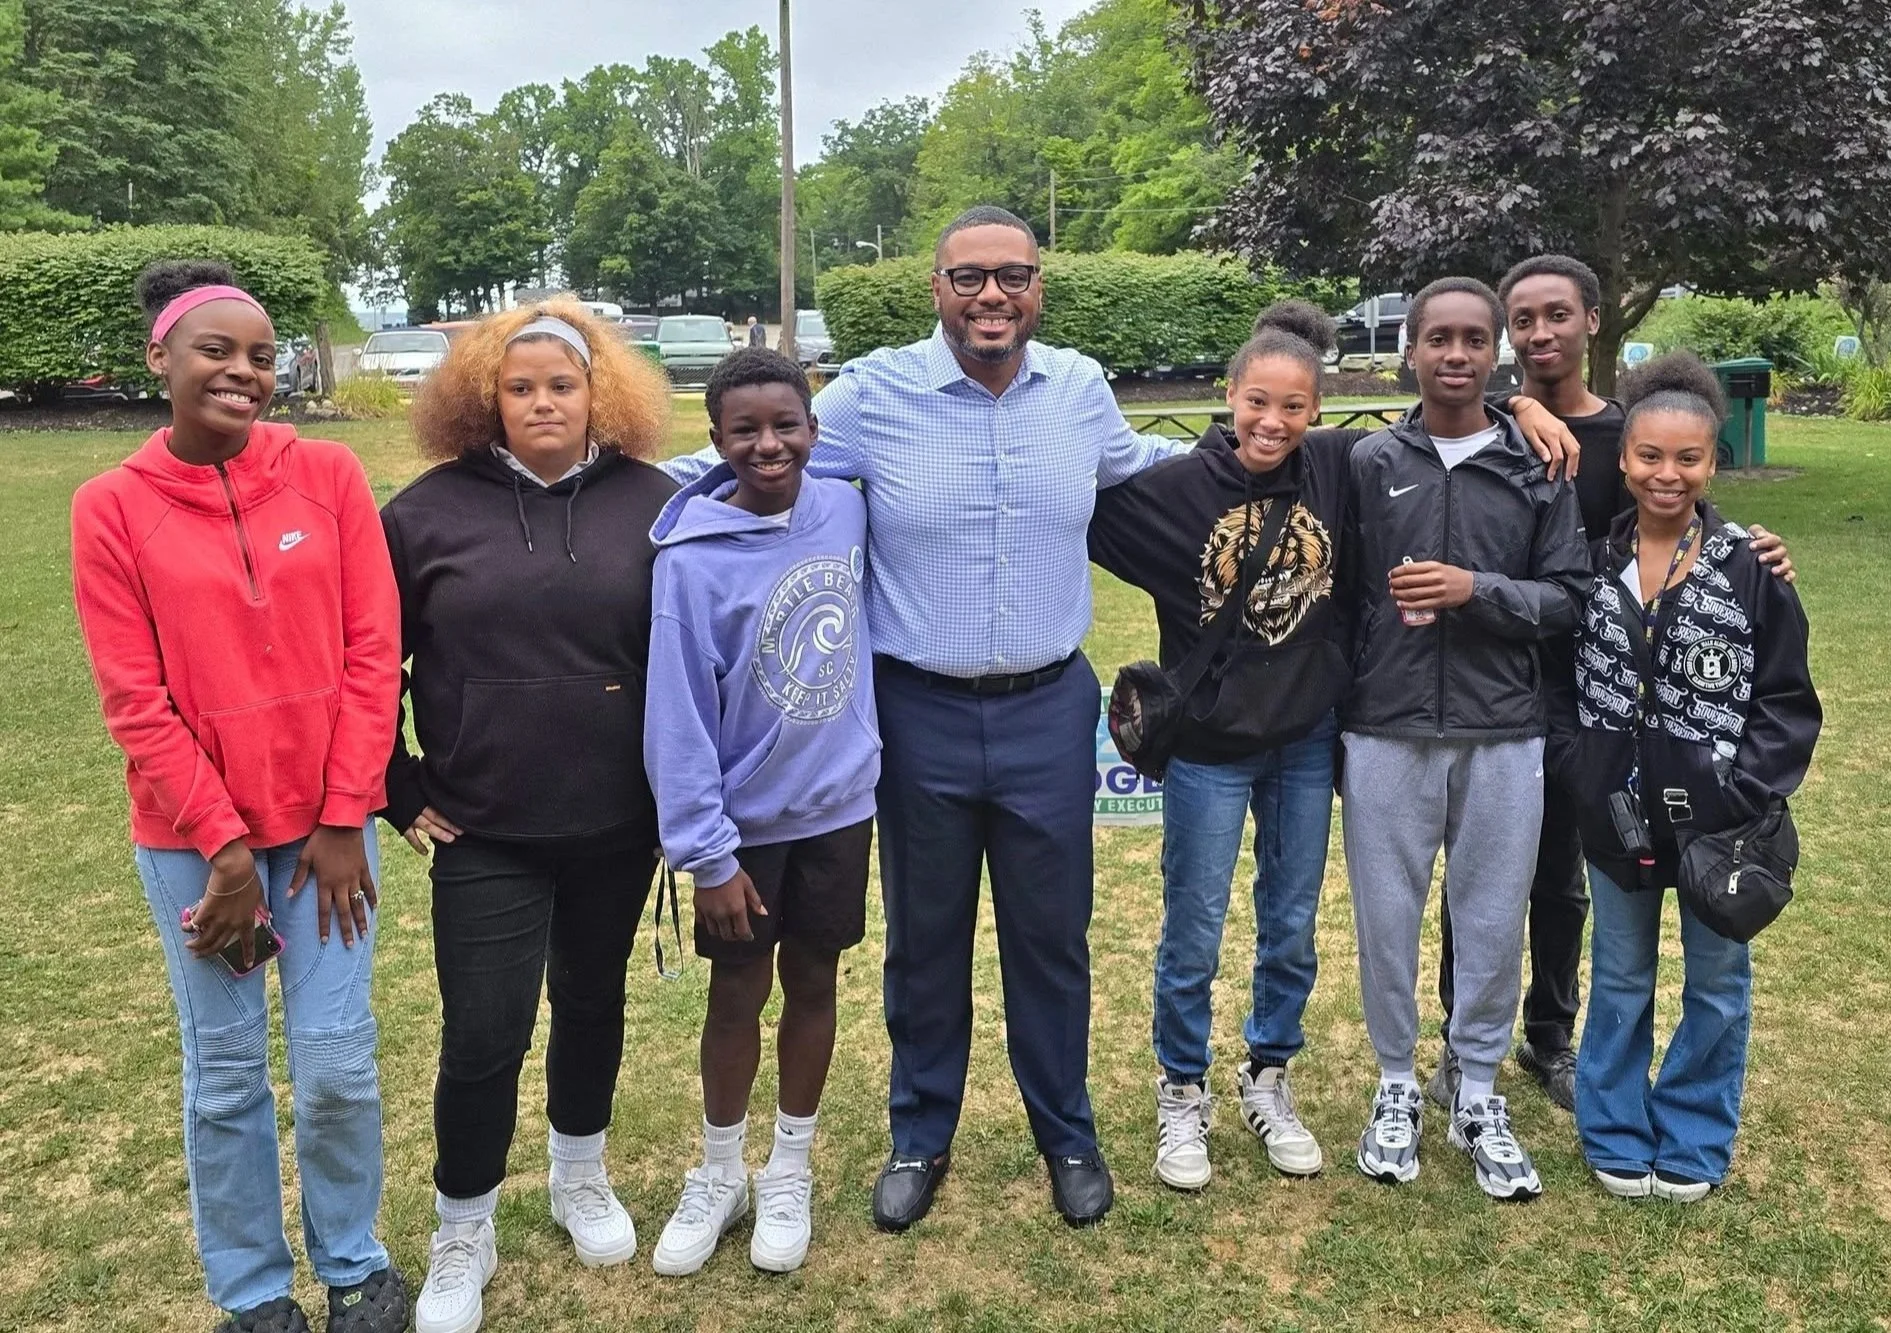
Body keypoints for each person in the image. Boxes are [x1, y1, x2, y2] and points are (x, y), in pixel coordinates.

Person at [665, 205, 1190, 1230]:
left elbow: (1159, 473)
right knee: (925, 936)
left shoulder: (1080, 390)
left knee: (1052, 938)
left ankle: (1066, 1133)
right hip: (916, 713)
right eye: (967, 278)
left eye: (1012, 275)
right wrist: (589, 487)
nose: (990, 295)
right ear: (936, 291)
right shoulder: (871, 393)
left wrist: (1304, 448)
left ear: (1038, 286)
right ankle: (920, 1130)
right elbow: (742, 461)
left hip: (1048, 707)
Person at [71, 260, 407, 1333]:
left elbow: (372, 651)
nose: (244, 371)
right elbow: (134, 697)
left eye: (262, 356)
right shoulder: (110, 508)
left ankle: (353, 1261)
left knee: (337, 1060)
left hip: (324, 838)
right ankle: (255, 1291)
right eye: (217, 350)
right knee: (224, 1074)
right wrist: (219, 847)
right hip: (191, 845)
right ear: (158, 360)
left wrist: (348, 812)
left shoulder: (331, 477)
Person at [1429, 255, 1796, 1115]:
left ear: (1592, 320)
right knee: (1479, 880)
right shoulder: (1491, 424)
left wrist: (1755, 547)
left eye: (1556, 315)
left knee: (1564, 879)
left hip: (1606, 704)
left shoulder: (1634, 434)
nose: (1538, 333)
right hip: (1494, 680)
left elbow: (1685, 510)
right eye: (1521, 320)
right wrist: (1516, 404)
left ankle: (1549, 1037)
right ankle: (1457, 1039)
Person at [382, 299, 676, 1333]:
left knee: (592, 1004)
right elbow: (366, 661)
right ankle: (463, 1225)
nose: (543, 402)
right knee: (484, 1033)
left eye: (563, 384)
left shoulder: (656, 502)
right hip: (483, 824)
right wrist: (398, 784)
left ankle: (578, 1171)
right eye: (521, 387)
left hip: (616, 819)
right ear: (484, 398)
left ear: (600, 393)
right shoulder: (423, 515)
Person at [1548, 352, 1820, 1202]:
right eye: (1649, 457)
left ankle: (1694, 1135)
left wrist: (1739, 794)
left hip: (1719, 826)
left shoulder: (1750, 568)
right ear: (1623, 460)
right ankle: (1616, 1128)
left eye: (1687, 458)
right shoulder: (1592, 564)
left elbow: (1785, 698)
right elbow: (1558, 681)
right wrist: (1580, 769)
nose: (1667, 475)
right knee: (1621, 976)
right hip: (1615, 814)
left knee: (1716, 983)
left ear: (1712, 462)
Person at [1341, 276, 1591, 1201]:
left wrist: (1473, 590)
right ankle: (1396, 1082)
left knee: (1490, 918)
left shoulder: (1537, 465)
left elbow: (1568, 597)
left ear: (1496, 354)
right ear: (1409, 348)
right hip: (1386, 729)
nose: (1454, 354)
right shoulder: (1367, 463)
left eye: (1472, 339)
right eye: (1436, 337)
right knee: (1386, 920)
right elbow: (1342, 595)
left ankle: (1476, 1087)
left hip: (1502, 731)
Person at [643, 348, 880, 1275]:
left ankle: (789, 1166)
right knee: (736, 991)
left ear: (815, 430)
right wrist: (705, 852)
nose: (768, 443)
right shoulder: (690, 562)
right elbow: (678, 717)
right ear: (716, 441)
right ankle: (717, 1170)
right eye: (745, 429)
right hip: (742, 833)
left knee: (814, 981)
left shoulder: (847, 507)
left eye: (786, 424)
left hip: (837, 809)